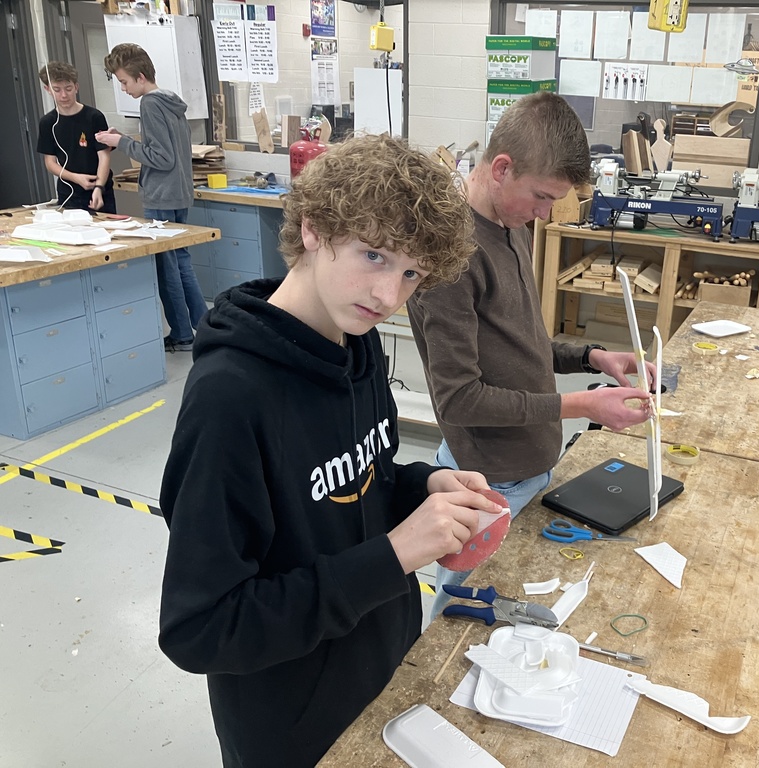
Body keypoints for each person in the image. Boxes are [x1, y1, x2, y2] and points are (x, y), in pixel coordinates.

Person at [157, 134, 497, 768]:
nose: (389, 295)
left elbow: (356, 481)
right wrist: (393, 555)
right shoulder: (230, 397)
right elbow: (201, 629)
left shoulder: (354, 340)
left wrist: (421, 486)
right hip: (295, 729)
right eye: (374, 255)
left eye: (411, 273)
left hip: (385, 678)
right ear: (313, 228)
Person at [406, 92, 654, 621]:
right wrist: (582, 406)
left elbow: (521, 343)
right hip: (486, 482)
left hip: (531, 470)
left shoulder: (511, 224)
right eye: (542, 196)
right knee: (460, 628)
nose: (545, 213)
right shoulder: (451, 257)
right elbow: (460, 399)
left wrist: (592, 357)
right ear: (501, 169)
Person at [95, 43, 205, 353]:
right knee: (181, 262)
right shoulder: (171, 101)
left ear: (140, 77)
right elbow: (167, 151)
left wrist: (121, 143)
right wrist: (124, 138)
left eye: (124, 82)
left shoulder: (150, 104)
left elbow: (161, 158)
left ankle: (182, 335)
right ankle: (204, 326)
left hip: (162, 196)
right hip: (178, 193)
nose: (123, 88)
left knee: (167, 268)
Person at [35, 61, 116, 213]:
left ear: (76, 87)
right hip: (69, 193)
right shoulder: (48, 123)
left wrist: (99, 187)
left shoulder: (94, 117)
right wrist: (75, 178)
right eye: (57, 90)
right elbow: (50, 162)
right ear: (48, 89)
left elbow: (104, 156)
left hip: (99, 189)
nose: (64, 95)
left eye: (68, 89)